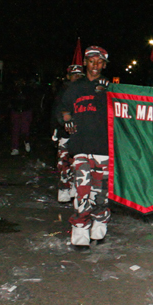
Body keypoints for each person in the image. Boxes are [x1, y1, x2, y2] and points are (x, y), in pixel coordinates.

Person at [60, 46, 111, 250]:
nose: (95, 65)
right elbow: (63, 107)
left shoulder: (110, 87)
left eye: (99, 62)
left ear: (104, 65)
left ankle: (99, 226)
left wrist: (106, 93)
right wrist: (65, 118)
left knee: (101, 194)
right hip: (80, 147)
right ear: (86, 63)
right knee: (82, 192)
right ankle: (80, 232)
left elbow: (123, 111)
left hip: (104, 149)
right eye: (91, 61)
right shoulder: (75, 87)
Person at [53, 64, 84, 203]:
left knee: (78, 163)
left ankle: (74, 188)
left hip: (81, 134)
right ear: (68, 76)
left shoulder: (85, 91)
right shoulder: (63, 92)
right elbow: (57, 111)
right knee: (64, 162)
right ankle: (64, 189)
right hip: (65, 133)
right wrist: (58, 128)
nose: (77, 77)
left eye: (79, 75)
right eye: (74, 75)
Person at [9, 75, 35, 155]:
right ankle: (15, 148)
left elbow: (32, 100)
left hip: (25, 111)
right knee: (15, 130)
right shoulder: (13, 90)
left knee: (25, 129)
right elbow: (10, 100)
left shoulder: (28, 90)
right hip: (16, 111)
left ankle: (26, 141)